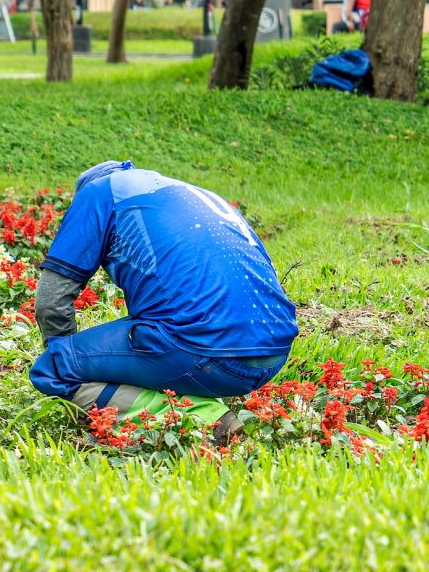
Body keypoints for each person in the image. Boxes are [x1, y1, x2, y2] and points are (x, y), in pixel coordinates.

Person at [30, 161, 298, 422]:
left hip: (208, 357)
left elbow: (50, 302)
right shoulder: (196, 196)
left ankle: (201, 416)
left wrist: (65, 358)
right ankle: (195, 388)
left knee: (52, 370)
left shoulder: (98, 193)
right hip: (274, 355)